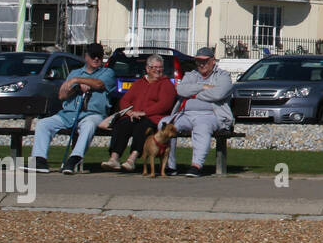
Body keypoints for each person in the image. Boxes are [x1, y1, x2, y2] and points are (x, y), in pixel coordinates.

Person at [28, 43, 116, 175]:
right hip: (68, 113)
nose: (96, 59)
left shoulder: (107, 72)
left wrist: (78, 81)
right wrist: (76, 87)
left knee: (89, 125)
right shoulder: (75, 72)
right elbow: (62, 95)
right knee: (43, 124)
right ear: (86, 57)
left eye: (99, 56)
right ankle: (39, 160)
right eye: (93, 56)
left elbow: (98, 84)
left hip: (92, 114)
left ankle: (74, 159)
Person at [97, 54, 177, 171]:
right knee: (122, 124)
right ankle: (114, 158)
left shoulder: (166, 84)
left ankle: (132, 159)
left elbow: (165, 104)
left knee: (142, 127)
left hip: (154, 118)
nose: (157, 70)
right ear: (147, 69)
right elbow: (125, 100)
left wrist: (144, 112)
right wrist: (129, 111)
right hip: (134, 116)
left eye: (160, 67)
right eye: (154, 67)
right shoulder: (139, 83)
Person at [163, 46, 233, 177]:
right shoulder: (191, 75)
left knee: (202, 127)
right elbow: (180, 90)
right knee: (166, 124)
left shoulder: (223, 76)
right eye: (199, 61)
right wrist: (203, 87)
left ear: (213, 61)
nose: (202, 64)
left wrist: (194, 94)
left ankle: (196, 165)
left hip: (211, 115)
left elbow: (218, 94)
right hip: (185, 114)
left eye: (205, 61)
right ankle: (170, 165)